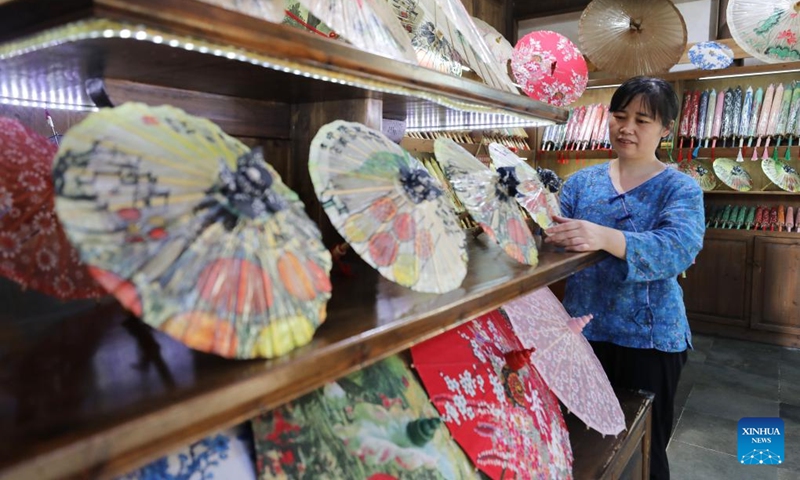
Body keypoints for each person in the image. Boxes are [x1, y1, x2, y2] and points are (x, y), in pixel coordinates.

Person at [544, 76, 705, 480]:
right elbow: (550, 237)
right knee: (582, 442)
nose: (626, 128)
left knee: (644, 449)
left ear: (666, 128)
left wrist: (603, 236)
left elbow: (678, 248)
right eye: (619, 116)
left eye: (642, 120)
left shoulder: (680, 188)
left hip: (649, 340)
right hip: (581, 331)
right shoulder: (582, 183)